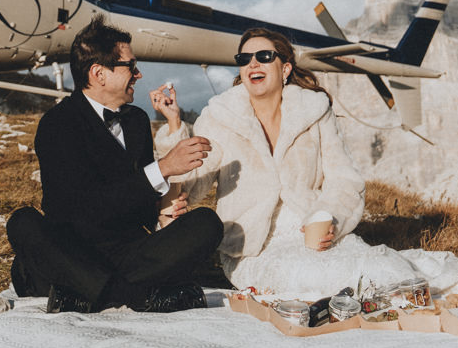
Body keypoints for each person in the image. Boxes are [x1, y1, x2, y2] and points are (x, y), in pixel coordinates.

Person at [152, 27, 423, 298]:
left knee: (387, 270)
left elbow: (344, 179)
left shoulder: (315, 111)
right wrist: (174, 125)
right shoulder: (221, 117)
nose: (253, 63)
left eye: (264, 56)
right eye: (244, 59)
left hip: (315, 234)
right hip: (253, 247)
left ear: (285, 69)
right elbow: (189, 186)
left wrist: (332, 220)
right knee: (309, 281)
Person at [7, 18, 224, 313]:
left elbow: (137, 200)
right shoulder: (58, 124)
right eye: (130, 66)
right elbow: (74, 212)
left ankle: (90, 293)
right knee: (23, 223)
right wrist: (162, 169)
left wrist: (161, 206)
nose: (138, 74)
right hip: (76, 252)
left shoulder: (135, 120)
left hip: (129, 253)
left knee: (206, 224)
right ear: (99, 73)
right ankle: (137, 295)